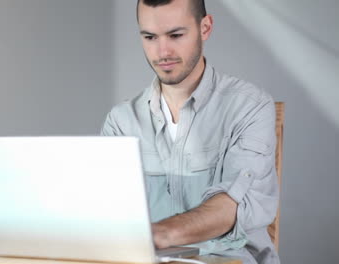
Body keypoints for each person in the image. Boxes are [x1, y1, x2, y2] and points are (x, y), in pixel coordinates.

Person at [100, 0, 280, 263]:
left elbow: (230, 207)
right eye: (150, 37)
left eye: (175, 35)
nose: (162, 51)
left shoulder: (250, 107)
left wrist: (156, 234)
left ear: (205, 28)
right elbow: (106, 213)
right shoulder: (121, 121)